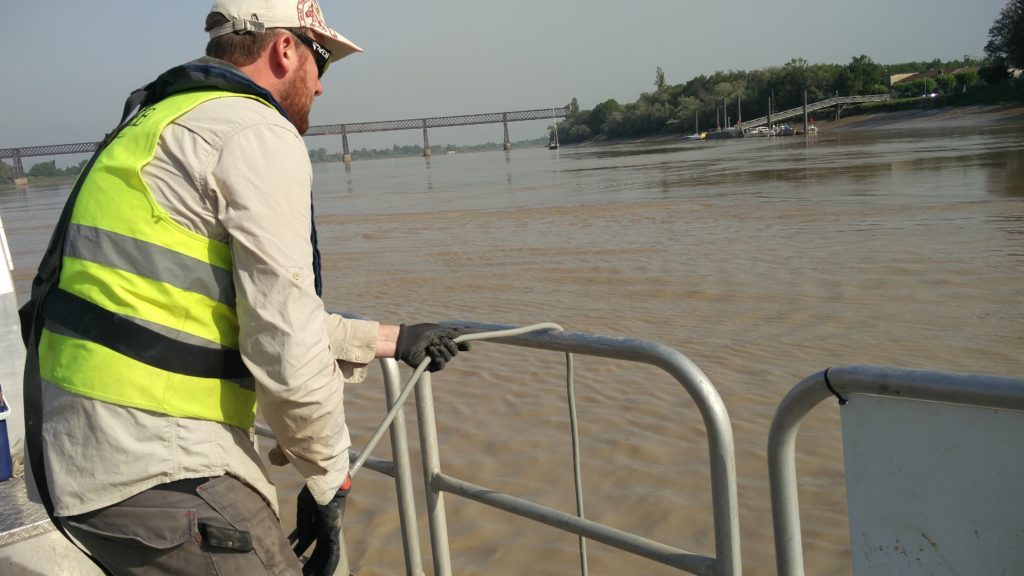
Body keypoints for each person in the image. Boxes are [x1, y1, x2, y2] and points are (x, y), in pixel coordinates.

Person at [18, 1, 467, 574]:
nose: (323, 88)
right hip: (159, 467)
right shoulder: (252, 130)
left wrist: (393, 337)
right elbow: (284, 341)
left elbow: (195, 312)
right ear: (284, 49)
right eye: (321, 61)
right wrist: (329, 479)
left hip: (77, 458)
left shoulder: (160, 123)